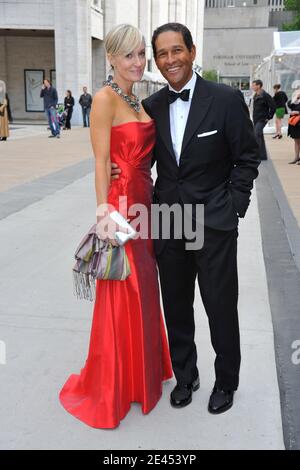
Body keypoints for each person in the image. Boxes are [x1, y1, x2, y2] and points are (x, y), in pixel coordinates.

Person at [112, 22, 260, 414]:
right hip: (168, 219)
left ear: (192, 52)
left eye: (177, 50)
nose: (169, 59)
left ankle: (227, 380)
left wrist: (233, 206)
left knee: (219, 305)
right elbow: (137, 157)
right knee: (176, 306)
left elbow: (247, 157)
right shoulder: (153, 107)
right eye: (161, 54)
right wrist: (117, 170)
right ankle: (186, 375)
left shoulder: (226, 100)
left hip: (212, 220)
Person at [59, 24, 173, 429]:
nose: (139, 62)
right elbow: (99, 161)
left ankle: (143, 375)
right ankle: (115, 384)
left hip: (146, 201)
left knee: (144, 286)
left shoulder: (137, 98)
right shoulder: (106, 99)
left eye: (142, 53)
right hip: (122, 205)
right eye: (130, 55)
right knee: (124, 288)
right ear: (111, 58)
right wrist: (104, 213)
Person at [251, 79, 276, 160]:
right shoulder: (255, 95)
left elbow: (273, 106)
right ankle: (262, 156)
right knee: (260, 136)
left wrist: (269, 117)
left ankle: (256, 155)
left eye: (254, 85)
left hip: (262, 119)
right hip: (256, 119)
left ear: (258, 86)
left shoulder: (265, 95)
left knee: (256, 135)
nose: (252, 87)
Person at [287, 89, 300, 165]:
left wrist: (298, 112)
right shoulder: (294, 101)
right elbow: (289, 105)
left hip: (298, 123)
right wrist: (295, 98)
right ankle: (296, 157)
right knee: (296, 141)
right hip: (294, 122)